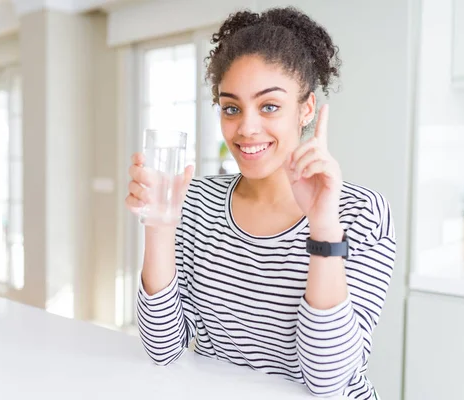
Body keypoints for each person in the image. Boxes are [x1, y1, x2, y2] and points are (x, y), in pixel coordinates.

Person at [126, 6, 396, 399]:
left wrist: (323, 228)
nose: (246, 128)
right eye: (231, 108)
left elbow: (327, 379)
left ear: (306, 109)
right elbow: (163, 348)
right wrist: (160, 225)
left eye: (269, 106)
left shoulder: (361, 213)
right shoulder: (197, 202)